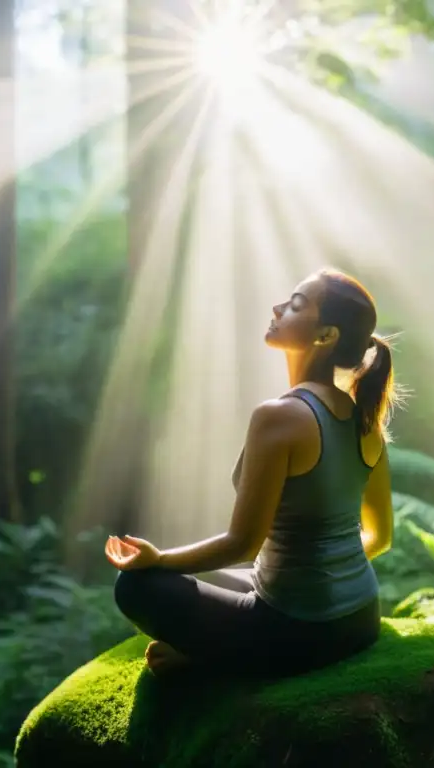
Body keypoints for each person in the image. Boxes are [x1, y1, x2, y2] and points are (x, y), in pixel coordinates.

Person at [105, 268, 397, 677]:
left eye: (296, 305)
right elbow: (380, 538)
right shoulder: (366, 421)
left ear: (325, 336)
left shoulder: (280, 417)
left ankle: (219, 665)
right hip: (361, 616)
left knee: (137, 586)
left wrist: (159, 558)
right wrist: (327, 573)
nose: (278, 308)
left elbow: (241, 544)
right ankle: (233, 646)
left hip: (300, 632)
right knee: (223, 575)